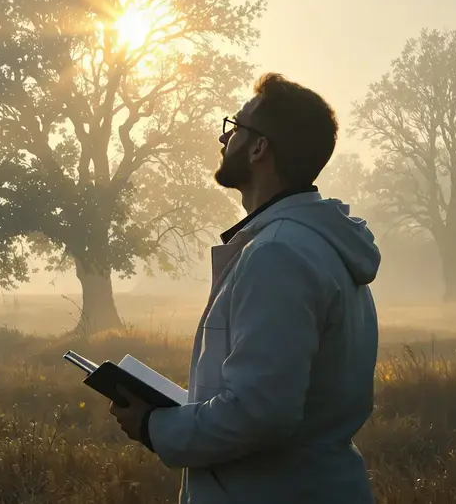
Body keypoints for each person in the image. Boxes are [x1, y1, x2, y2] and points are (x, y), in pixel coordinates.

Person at [108, 72, 380, 503]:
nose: (223, 139)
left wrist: (152, 425)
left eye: (235, 127)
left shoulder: (278, 255)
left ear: (259, 148)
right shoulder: (314, 245)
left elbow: (261, 413)